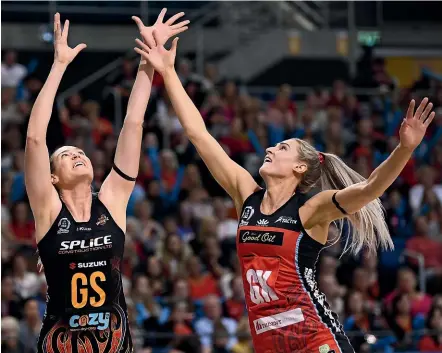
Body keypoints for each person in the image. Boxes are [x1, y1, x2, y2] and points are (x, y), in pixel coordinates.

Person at [135, 31, 436, 353]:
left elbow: (369, 188)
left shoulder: (311, 208)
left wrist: (405, 150)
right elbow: (198, 134)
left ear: (300, 168)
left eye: (282, 147)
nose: (270, 148)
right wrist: (168, 72)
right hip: (267, 341)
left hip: (313, 337)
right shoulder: (246, 195)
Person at [25, 11, 189, 353]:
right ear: (52, 177)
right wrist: (59, 65)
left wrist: (150, 56)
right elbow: (36, 140)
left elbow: (133, 124)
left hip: (115, 345)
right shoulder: (48, 210)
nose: (76, 154)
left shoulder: (112, 201)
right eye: (66, 155)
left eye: (79, 152)